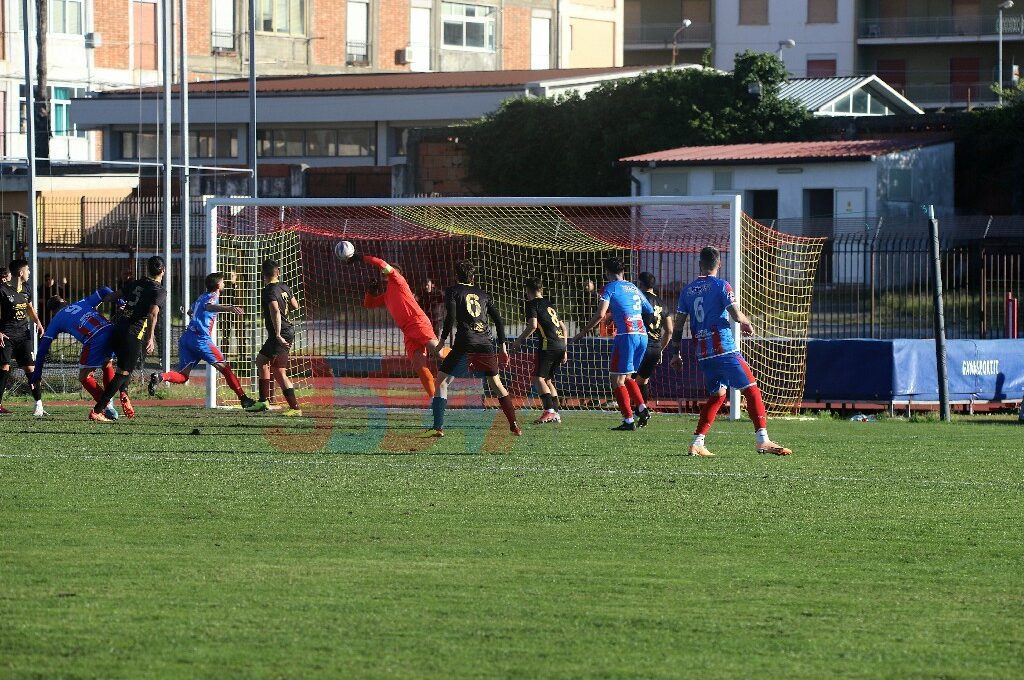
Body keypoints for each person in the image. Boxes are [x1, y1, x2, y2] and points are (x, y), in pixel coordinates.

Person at [671, 246, 792, 457]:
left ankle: (697, 442)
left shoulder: (687, 291)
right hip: (724, 350)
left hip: (703, 353)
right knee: (752, 388)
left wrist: (675, 353)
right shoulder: (721, 286)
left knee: (718, 395)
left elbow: (678, 325)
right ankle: (762, 440)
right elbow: (736, 315)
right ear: (719, 264)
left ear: (700, 264)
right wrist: (747, 323)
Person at [428, 259, 520, 437]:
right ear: (473, 276)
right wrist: (503, 347)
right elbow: (499, 321)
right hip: (486, 342)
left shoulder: (453, 291)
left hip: (465, 342)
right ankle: (514, 424)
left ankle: (438, 427)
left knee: (442, 380)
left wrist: (442, 341)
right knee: (497, 384)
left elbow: (450, 318)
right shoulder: (482, 294)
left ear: (456, 275)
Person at [148, 273, 256, 408]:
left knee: (183, 376)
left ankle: (160, 377)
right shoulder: (213, 297)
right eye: (222, 282)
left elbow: (189, 311)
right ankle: (244, 399)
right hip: (201, 340)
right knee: (226, 369)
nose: (224, 284)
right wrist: (229, 308)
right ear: (217, 285)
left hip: (187, 338)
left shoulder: (201, 297)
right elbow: (209, 306)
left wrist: (198, 316)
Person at [573, 257, 653, 431]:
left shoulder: (609, 288)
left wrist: (581, 333)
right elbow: (649, 310)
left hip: (626, 336)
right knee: (628, 376)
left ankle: (628, 420)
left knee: (616, 379)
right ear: (623, 272)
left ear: (607, 272)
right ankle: (642, 408)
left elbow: (600, 314)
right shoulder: (633, 287)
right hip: (642, 335)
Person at [349, 252, 441, 398]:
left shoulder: (399, 281)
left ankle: (463, 360)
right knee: (419, 367)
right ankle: (436, 399)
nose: (384, 272)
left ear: (397, 273)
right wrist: (370, 291)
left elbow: (380, 263)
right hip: (408, 331)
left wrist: (360, 257)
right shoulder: (387, 295)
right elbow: (369, 304)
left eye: (390, 269)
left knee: (438, 351)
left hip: (417, 322)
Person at [89, 255, 167, 422]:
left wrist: (95, 304)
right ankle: (98, 410)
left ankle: (124, 394)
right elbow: (153, 313)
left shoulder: (137, 282)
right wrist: (150, 337)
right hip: (132, 333)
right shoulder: (159, 290)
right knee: (123, 373)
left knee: (124, 370)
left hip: (117, 327)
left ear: (148, 269)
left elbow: (114, 295)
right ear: (163, 270)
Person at [29, 286, 121, 419]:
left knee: (84, 377)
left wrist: (37, 374)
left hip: (94, 338)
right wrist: (120, 302)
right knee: (107, 364)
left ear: (53, 312)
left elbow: (43, 349)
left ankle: (106, 406)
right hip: (112, 330)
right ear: (65, 301)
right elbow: (105, 290)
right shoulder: (81, 302)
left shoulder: (56, 320)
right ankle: (111, 402)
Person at [244, 259, 302, 416]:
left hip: (280, 334)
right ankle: (263, 401)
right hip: (286, 330)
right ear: (278, 272)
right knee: (262, 362)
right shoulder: (284, 287)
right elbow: (295, 305)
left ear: (263, 275)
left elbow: (275, 311)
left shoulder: (269, 290)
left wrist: (277, 334)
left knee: (278, 371)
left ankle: (294, 408)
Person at [510, 277, 568, 424]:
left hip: (548, 344)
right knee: (548, 380)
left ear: (527, 290)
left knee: (538, 378)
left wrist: (519, 340)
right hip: (560, 344)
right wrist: (565, 349)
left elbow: (533, 325)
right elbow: (564, 327)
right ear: (541, 289)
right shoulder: (549, 304)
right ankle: (555, 413)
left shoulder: (531, 304)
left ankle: (548, 411)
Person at [0, 259, 48, 416]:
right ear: (20, 273)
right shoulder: (2, 290)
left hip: (23, 335)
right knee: (4, 367)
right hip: (6, 335)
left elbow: (30, 308)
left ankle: (39, 405)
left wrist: (39, 324)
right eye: (27, 270)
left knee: (31, 369)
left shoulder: (27, 289)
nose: (29, 272)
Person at [633, 272, 674, 411]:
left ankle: (634, 413)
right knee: (643, 381)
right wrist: (660, 349)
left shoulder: (638, 299)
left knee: (628, 380)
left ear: (640, 284)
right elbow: (669, 330)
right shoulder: (662, 303)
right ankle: (642, 413)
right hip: (655, 347)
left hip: (640, 345)